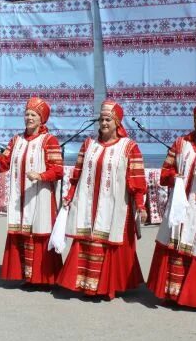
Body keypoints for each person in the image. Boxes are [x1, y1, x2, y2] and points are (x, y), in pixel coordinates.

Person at [56, 100, 147, 299]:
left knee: (110, 239)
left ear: (117, 122)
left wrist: (140, 205)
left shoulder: (129, 147)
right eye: (102, 119)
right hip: (87, 203)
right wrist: (69, 196)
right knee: (86, 237)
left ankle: (107, 286)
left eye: (108, 119)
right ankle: (83, 283)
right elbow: (77, 173)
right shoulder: (89, 144)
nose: (104, 123)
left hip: (115, 205)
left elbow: (137, 179)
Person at [146, 104, 196, 308]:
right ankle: (170, 293)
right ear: (194, 122)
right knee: (173, 242)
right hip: (179, 206)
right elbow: (164, 174)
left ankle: (193, 296)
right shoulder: (180, 144)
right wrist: (175, 176)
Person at [0, 97, 64, 286]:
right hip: (20, 196)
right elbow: (4, 162)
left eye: (33, 115)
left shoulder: (49, 140)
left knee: (39, 233)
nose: (29, 118)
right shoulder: (16, 140)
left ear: (42, 119)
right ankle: (27, 277)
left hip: (40, 196)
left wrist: (41, 175)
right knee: (22, 232)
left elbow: (58, 169)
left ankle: (44, 278)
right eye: (27, 114)